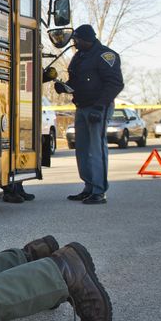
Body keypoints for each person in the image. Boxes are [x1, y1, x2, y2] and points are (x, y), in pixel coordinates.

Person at [55, 24, 124, 205]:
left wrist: (100, 106)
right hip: (82, 106)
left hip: (97, 108)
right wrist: (64, 87)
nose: (74, 43)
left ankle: (99, 191)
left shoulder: (105, 55)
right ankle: (88, 187)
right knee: (83, 150)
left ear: (86, 39)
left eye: (77, 40)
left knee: (96, 149)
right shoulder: (79, 57)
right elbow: (77, 81)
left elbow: (115, 83)